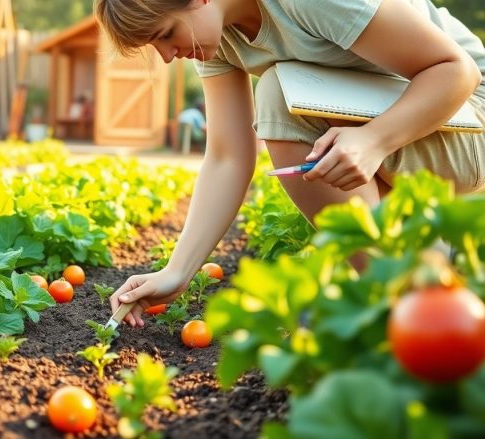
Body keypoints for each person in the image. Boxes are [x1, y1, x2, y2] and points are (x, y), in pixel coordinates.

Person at [94, 0, 485, 327]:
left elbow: (456, 69)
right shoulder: (219, 36)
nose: (166, 57)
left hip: (470, 118)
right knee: (282, 93)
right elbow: (227, 157)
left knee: (278, 95)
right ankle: (414, 276)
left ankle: (402, 303)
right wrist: (177, 271)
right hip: (417, 133)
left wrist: (373, 140)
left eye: (165, 35)